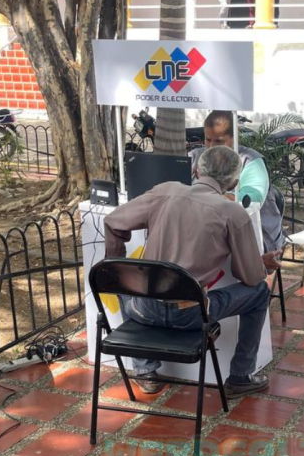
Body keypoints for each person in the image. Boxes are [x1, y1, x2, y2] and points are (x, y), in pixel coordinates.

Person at [105, 146, 273, 398]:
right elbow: (249, 276)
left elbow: (112, 221)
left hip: (143, 309)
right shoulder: (233, 213)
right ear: (234, 182)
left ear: (195, 170)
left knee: (119, 278)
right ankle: (241, 376)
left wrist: (117, 263)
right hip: (191, 316)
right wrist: (260, 264)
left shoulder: (164, 191)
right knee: (259, 292)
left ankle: (145, 371)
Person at [189, 111, 285, 256]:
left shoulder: (251, 160)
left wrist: (201, 197)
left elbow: (251, 200)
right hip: (202, 235)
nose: (212, 147)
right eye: (208, 140)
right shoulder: (195, 156)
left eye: (219, 141)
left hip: (251, 241)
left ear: (234, 138)